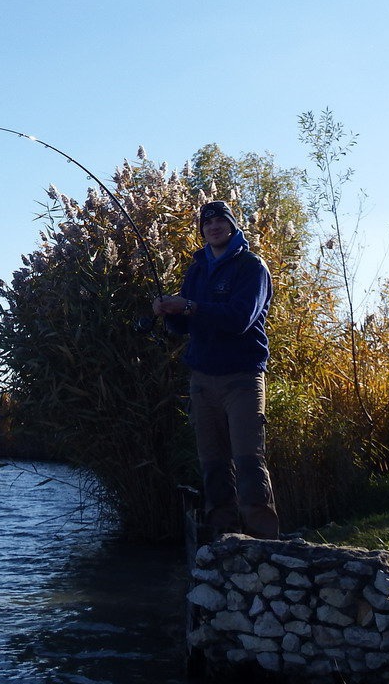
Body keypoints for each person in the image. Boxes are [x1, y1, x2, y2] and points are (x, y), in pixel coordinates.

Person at [152, 200, 280, 540]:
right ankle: (224, 539)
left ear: (232, 225)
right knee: (213, 464)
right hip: (202, 380)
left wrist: (190, 306)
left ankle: (262, 542)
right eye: (206, 224)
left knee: (249, 460)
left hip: (242, 377)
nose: (213, 227)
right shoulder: (197, 268)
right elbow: (184, 328)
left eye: (220, 221)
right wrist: (170, 312)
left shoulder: (252, 266)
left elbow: (240, 319)